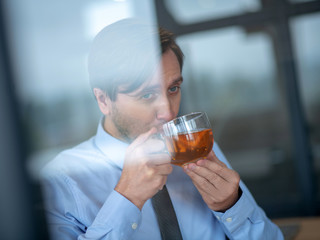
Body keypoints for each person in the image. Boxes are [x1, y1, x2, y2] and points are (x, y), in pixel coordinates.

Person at [40, 18, 284, 240]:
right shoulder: (61, 181)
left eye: (173, 89)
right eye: (146, 94)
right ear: (103, 100)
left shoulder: (196, 149)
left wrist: (232, 206)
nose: (167, 113)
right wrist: (127, 198)